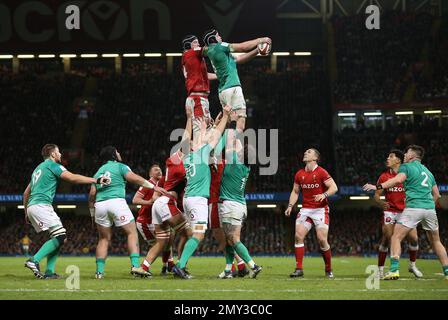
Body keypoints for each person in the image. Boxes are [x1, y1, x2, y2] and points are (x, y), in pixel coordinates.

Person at [23, 143, 110, 279]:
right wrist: (96, 180)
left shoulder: (37, 169)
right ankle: (33, 260)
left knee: (59, 238)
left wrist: (26, 211)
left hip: (33, 206)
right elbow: (72, 178)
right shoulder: (53, 165)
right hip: (41, 205)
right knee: (60, 236)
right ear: (52, 154)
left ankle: (49, 272)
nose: (60, 154)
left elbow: (26, 193)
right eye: (58, 152)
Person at [363, 145, 448, 280]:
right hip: (430, 209)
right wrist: (428, 206)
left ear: (412, 156)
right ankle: (447, 272)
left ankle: (394, 270)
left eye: (407, 152)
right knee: (436, 241)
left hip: (413, 208)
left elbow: (397, 180)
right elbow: (437, 195)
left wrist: (377, 186)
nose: (405, 154)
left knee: (396, 237)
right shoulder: (427, 171)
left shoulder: (406, 167)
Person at [171, 105, 232, 279]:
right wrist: (226, 116)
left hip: (188, 199)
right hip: (198, 200)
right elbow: (217, 135)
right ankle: (180, 266)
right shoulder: (201, 154)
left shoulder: (187, 157)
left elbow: (187, 139)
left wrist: (193, 120)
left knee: (193, 233)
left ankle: (181, 265)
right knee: (199, 233)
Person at [88, 146, 166, 279]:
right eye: (117, 152)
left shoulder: (98, 172)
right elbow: (134, 178)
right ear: (113, 155)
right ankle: (135, 266)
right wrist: (153, 186)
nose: (119, 153)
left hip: (100, 205)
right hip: (116, 202)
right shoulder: (120, 166)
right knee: (131, 233)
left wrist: (92, 213)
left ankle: (99, 272)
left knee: (103, 239)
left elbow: (92, 194)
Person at [202, 29, 271, 132]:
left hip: (223, 92)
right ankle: (235, 148)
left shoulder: (212, 51)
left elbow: (238, 59)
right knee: (240, 124)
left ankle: (230, 147)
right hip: (233, 88)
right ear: (213, 39)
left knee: (230, 125)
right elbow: (242, 47)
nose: (220, 37)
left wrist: (257, 51)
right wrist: (261, 39)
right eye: (218, 36)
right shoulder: (221, 46)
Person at [285, 148, 338, 278]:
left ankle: (328, 269)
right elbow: (295, 192)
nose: (305, 153)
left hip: (320, 209)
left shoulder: (321, 172)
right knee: (298, 236)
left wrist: (324, 194)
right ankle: (299, 269)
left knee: (321, 239)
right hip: (306, 209)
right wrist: (290, 206)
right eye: (305, 152)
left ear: (315, 158)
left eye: (309, 152)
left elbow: (334, 187)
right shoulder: (299, 174)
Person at [217, 127, 262, 279]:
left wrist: (229, 126)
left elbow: (229, 143)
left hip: (231, 205)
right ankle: (229, 269)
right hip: (240, 205)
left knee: (234, 239)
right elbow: (239, 147)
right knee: (229, 239)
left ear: (242, 154)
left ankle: (253, 266)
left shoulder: (234, 161)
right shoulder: (246, 166)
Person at [373, 150, 422, 278]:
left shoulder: (407, 174)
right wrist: (381, 203)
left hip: (406, 211)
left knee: (414, 239)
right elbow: (376, 196)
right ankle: (382, 269)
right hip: (390, 211)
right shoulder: (384, 176)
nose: (387, 158)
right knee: (388, 238)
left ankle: (412, 265)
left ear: (398, 160)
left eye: (391, 156)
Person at [132, 164, 174, 275]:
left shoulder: (163, 183)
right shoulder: (148, 184)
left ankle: (167, 265)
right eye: (156, 170)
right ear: (150, 174)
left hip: (158, 220)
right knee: (158, 244)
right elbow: (135, 200)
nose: (159, 171)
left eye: (160, 169)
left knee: (166, 241)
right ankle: (143, 267)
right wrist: (150, 202)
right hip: (145, 221)